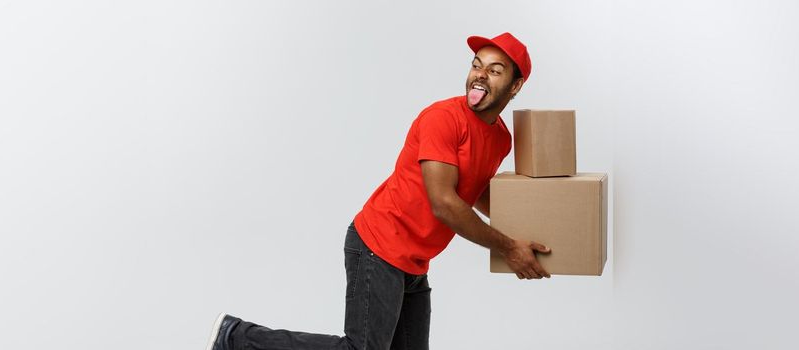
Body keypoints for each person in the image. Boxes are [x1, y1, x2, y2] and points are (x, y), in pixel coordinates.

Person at [206, 32, 551, 350]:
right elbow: (444, 203)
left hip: (415, 262)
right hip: (379, 246)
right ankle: (235, 337)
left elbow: (472, 189)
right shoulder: (442, 119)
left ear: (516, 85)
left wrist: (530, 226)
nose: (479, 75)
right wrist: (509, 248)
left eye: (494, 70)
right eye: (476, 65)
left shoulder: (501, 138)